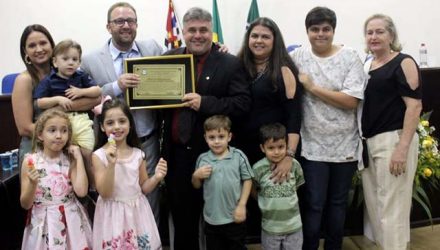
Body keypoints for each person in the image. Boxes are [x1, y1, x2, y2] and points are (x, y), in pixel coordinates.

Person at [161, 7, 251, 250]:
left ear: (211, 32)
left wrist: (205, 103)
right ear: (184, 32)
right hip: (178, 157)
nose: (198, 35)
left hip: (216, 157)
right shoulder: (169, 59)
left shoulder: (230, 63)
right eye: (192, 30)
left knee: (222, 226)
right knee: (183, 223)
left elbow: (242, 104)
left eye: (204, 30)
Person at [290, 7, 367, 249]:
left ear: (333, 31)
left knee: (337, 204)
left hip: (345, 144)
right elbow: (266, 57)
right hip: (312, 145)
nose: (320, 34)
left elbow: (351, 101)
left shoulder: (351, 57)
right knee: (313, 203)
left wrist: (312, 88)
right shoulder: (298, 57)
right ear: (307, 31)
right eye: (315, 29)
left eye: (326, 29)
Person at [81, 2, 164, 223]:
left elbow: (178, 70)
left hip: (147, 142)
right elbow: (82, 99)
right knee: (114, 200)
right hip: (110, 147)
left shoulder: (154, 48)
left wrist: (217, 48)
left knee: (150, 198)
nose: (126, 25)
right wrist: (116, 86)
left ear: (137, 24)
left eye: (131, 21)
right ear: (108, 26)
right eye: (119, 21)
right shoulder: (89, 61)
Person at [236, 16, 302, 240]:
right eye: (254, 36)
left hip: (274, 153)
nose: (259, 40)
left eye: (265, 36)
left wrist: (288, 156)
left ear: (275, 40)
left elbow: (294, 116)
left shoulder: (283, 69)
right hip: (243, 149)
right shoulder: (238, 65)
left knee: (273, 205)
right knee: (247, 203)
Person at [361, 14, 422, 250]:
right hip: (370, 143)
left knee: (392, 209)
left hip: (394, 141)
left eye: (379, 32)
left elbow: (414, 106)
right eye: (369, 32)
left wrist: (402, 148)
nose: (373, 37)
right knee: (376, 208)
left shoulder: (403, 62)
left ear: (391, 35)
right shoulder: (368, 65)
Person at [12, 24, 100, 167]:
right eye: (32, 45)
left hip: (67, 144)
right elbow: (25, 128)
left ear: (52, 46)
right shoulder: (24, 80)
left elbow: (95, 98)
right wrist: (62, 138)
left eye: (43, 43)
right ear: (25, 52)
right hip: (38, 148)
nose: (39, 49)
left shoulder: (67, 71)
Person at [92, 98, 167, 250]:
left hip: (137, 213)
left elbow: (143, 188)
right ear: (101, 127)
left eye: (122, 121)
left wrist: (157, 177)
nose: (117, 127)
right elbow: (105, 193)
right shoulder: (99, 156)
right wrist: (111, 165)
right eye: (110, 123)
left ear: (130, 124)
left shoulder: (138, 154)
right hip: (113, 216)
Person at [20, 108, 92, 249]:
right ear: (40, 134)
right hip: (43, 222)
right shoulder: (30, 162)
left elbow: (82, 191)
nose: (59, 136)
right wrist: (32, 184)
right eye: (52, 130)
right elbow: (25, 204)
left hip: (71, 221)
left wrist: (79, 159)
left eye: (64, 130)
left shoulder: (70, 159)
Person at [34, 39, 101, 184]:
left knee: (88, 155)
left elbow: (98, 90)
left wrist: (81, 91)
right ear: (55, 62)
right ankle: (69, 187)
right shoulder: (49, 80)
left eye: (75, 59)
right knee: (66, 157)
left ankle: (93, 188)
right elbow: (39, 102)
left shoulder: (81, 76)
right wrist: (57, 99)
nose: (71, 62)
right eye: (65, 59)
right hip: (61, 124)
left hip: (82, 121)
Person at [192, 115, 253, 250]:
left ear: (229, 137)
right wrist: (196, 176)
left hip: (234, 217)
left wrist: (242, 205)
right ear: (205, 138)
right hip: (212, 220)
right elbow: (196, 185)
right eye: (212, 137)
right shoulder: (203, 159)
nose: (216, 141)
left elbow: (248, 180)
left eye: (221, 136)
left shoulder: (238, 156)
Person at [252, 123, 304, 250]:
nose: (276, 152)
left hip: (294, 227)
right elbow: (252, 187)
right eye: (271, 148)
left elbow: (297, 184)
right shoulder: (258, 168)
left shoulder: (295, 165)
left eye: (281, 147)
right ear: (262, 148)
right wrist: (261, 200)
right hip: (270, 228)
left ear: (287, 145)